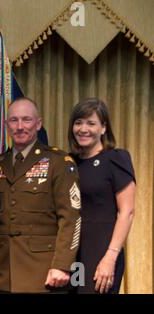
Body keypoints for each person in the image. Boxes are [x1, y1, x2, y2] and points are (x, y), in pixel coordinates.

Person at [0, 97, 81, 293]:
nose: (20, 126)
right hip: (4, 272)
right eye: (14, 120)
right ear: (6, 125)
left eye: (27, 120)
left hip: (44, 271)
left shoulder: (58, 162)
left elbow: (71, 218)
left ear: (38, 124)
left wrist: (62, 265)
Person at [68, 98, 135, 294]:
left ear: (104, 128)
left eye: (91, 123)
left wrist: (110, 257)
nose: (83, 129)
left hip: (103, 254)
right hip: (73, 255)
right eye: (78, 122)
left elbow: (127, 212)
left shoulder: (116, 158)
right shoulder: (68, 162)